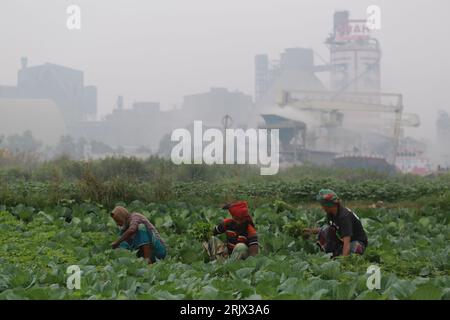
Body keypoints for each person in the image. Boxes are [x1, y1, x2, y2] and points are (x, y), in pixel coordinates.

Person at [303, 189, 368, 257]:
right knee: (326, 229)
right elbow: (329, 228)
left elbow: (347, 241)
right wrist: (311, 231)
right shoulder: (331, 213)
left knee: (353, 251)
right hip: (343, 240)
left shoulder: (344, 217)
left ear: (328, 205)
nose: (322, 207)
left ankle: (342, 255)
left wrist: (343, 260)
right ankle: (333, 253)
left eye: (322, 205)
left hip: (356, 242)